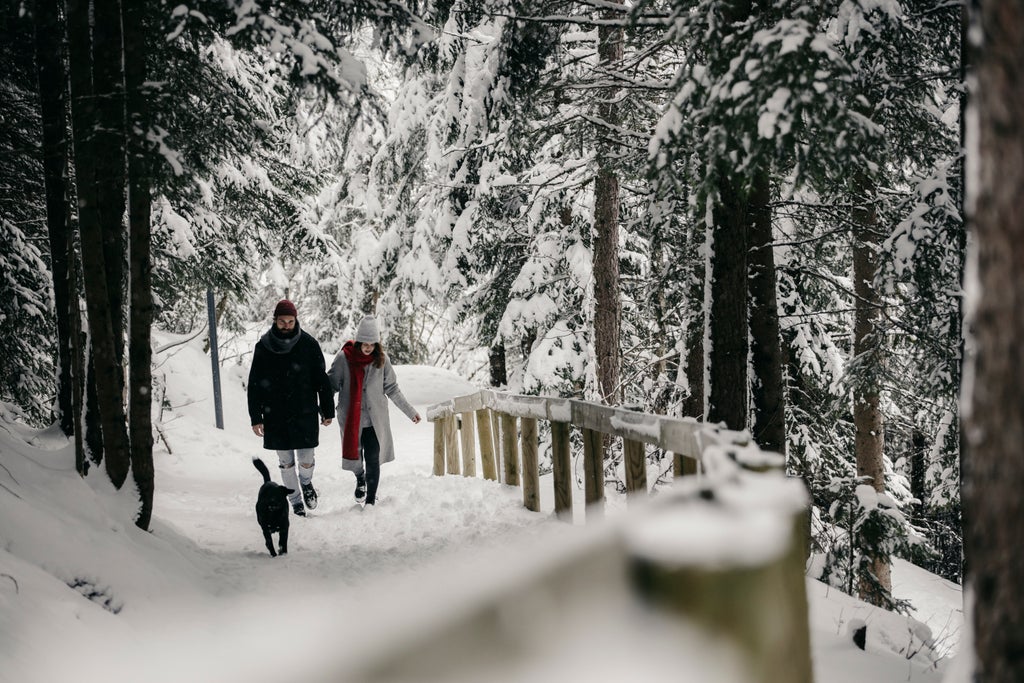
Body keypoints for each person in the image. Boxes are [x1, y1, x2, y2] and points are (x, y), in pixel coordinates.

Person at [247, 299, 335, 517]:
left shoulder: (308, 344)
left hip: (304, 412)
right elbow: (254, 383)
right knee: (285, 464)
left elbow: (321, 380)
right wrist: (255, 416)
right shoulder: (264, 347)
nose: (286, 325)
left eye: (290, 321)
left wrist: (327, 409)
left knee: (306, 459)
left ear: (296, 320)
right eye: (282, 321)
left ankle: (306, 483)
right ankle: (295, 501)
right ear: (275, 321)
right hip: (275, 415)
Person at [328, 315, 420, 507]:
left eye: (372, 343)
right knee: (355, 458)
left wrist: (410, 412)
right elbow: (330, 386)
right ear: (359, 340)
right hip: (351, 420)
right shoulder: (344, 358)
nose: (368, 347)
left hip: (375, 421)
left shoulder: (381, 360)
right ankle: (360, 478)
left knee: (373, 459)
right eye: (365, 343)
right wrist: (325, 411)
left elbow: (392, 389)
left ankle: (370, 501)